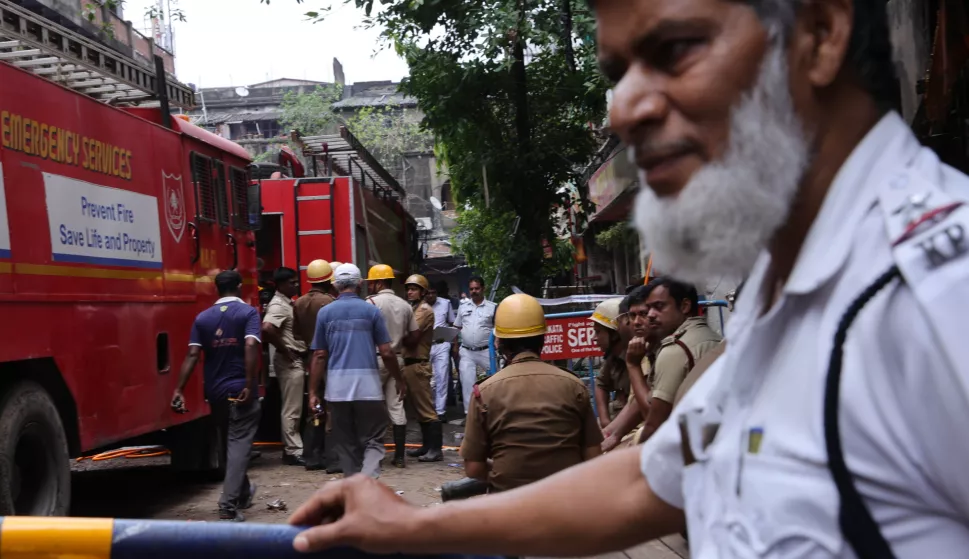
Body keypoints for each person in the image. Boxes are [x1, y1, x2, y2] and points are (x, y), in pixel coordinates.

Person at [289, 0, 969, 556]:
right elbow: (653, 479)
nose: (624, 108)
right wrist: (413, 527)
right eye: (619, 70)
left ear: (820, 32)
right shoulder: (789, 283)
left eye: (674, 50)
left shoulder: (940, 293)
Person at [460, 293, 603, 492]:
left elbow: (474, 468)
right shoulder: (574, 386)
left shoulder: (483, 392)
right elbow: (594, 456)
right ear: (543, 339)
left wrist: (503, 474)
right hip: (568, 501)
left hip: (510, 504)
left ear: (499, 342)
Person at [172, 270, 260, 522]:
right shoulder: (248, 313)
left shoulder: (202, 318)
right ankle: (228, 505)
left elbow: (192, 355)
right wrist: (250, 381)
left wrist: (179, 389)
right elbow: (252, 345)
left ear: (216, 289)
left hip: (216, 391)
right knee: (239, 445)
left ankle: (243, 492)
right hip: (241, 389)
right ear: (239, 287)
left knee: (229, 443)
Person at [307, 264, 405, 478]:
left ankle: (353, 486)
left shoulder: (325, 313)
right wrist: (399, 379)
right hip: (368, 388)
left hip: (337, 389)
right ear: (360, 284)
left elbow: (319, 355)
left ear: (335, 285)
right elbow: (387, 352)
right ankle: (369, 480)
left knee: (345, 441)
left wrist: (313, 391)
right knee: (373, 438)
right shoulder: (371, 311)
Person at [625, 278, 721, 444]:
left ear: (684, 306)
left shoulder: (675, 349)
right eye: (648, 308)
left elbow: (654, 423)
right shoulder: (712, 337)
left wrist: (633, 366)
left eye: (659, 306)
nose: (650, 315)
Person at [366, 264, 418, 468]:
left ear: (379, 282)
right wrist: (399, 340)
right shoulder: (405, 305)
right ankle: (399, 457)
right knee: (396, 406)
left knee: (373, 408)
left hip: (376, 359)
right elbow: (414, 335)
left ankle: (375, 457)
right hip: (397, 359)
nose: (369, 286)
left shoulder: (370, 303)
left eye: (371, 283)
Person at [293, 259, 337, 471]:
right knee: (332, 407)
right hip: (329, 358)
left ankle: (311, 456)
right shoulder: (330, 302)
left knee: (314, 405)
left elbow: (296, 333)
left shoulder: (299, 302)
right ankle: (331, 457)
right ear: (329, 280)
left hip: (310, 358)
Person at [262, 267, 308, 466]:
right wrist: (286, 350)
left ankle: (292, 448)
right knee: (292, 408)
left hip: (294, 359)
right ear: (280, 285)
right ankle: (293, 450)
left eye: (296, 281)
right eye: (292, 282)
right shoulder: (279, 305)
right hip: (290, 361)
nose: (296, 285)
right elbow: (267, 328)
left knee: (294, 406)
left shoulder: (287, 303)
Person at [402, 274, 444, 462]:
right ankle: (426, 446)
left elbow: (411, 337)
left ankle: (435, 450)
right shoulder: (414, 308)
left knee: (426, 409)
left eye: (414, 289)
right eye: (409, 289)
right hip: (410, 363)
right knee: (419, 409)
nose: (410, 292)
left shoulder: (424, 310)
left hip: (417, 364)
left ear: (422, 292)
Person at [453, 276, 496, 419]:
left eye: (477, 288)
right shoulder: (463, 307)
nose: (474, 291)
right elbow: (457, 328)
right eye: (471, 289)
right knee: (467, 383)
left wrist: (498, 343)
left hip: (486, 351)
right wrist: (454, 347)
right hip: (466, 351)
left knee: (495, 379)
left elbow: (498, 329)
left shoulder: (492, 307)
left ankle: (495, 410)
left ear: (483, 289)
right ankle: (469, 415)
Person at [589, 298, 628, 427]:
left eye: (598, 332)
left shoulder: (640, 359)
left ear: (615, 333)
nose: (594, 338)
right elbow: (601, 383)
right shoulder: (613, 357)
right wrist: (605, 420)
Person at [425, 281, 456, 421]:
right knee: (426, 379)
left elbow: (452, 324)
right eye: (428, 293)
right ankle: (429, 408)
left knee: (441, 377)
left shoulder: (445, 303)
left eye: (433, 293)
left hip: (442, 344)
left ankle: (440, 411)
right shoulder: (419, 306)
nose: (431, 295)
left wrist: (454, 345)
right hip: (424, 346)